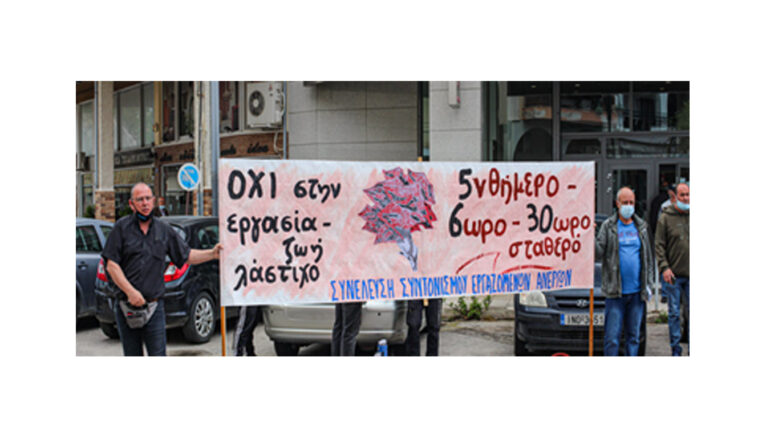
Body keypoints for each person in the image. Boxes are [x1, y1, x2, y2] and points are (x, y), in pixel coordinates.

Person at [102, 182, 222, 356]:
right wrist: (131, 292)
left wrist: (212, 253)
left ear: (154, 201)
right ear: (131, 204)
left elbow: (186, 255)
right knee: (132, 355)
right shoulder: (121, 228)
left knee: (158, 355)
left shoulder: (164, 229)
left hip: (154, 307)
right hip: (126, 307)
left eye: (148, 198)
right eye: (140, 199)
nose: (145, 203)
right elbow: (111, 265)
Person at [595, 187, 655, 356]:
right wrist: (590, 235)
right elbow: (598, 252)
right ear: (617, 204)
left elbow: (648, 259)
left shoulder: (641, 227)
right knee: (612, 338)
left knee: (634, 337)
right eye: (625, 202)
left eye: (631, 203)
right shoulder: (609, 226)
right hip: (615, 294)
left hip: (637, 294)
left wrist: (649, 284)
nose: (628, 206)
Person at [655, 182, 690, 356]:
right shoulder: (666, 218)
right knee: (674, 313)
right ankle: (676, 350)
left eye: (688, 195)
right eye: (682, 195)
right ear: (675, 197)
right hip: (673, 275)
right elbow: (659, 245)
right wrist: (664, 267)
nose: (686, 198)